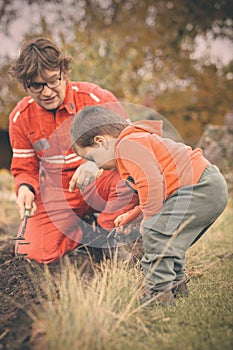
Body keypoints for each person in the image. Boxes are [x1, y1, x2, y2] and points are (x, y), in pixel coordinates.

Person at [70, 105, 228, 305]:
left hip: (200, 187)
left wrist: (149, 220)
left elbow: (151, 184)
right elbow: (156, 190)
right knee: (170, 239)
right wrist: (133, 215)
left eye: (91, 158)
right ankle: (175, 284)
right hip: (203, 187)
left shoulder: (128, 144)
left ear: (101, 141)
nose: (97, 165)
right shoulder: (133, 146)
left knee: (155, 232)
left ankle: (157, 291)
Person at [8, 37, 139, 264]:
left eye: (52, 81)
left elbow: (132, 143)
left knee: (130, 181)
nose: (47, 92)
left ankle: (110, 234)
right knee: (29, 250)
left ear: (64, 73)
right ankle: (86, 234)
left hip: (103, 180)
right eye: (36, 86)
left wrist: (96, 163)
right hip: (58, 193)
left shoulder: (95, 99)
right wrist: (25, 188)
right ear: (25, 85)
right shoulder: (20, 117)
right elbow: (24, 168)